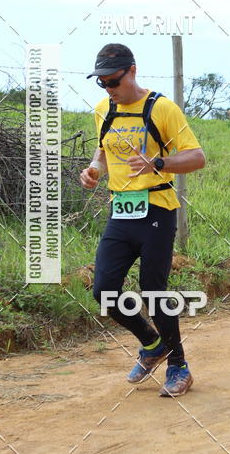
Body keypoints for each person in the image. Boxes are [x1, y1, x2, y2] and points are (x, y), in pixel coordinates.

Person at [80, 43, 206, 397]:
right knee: (104, 291)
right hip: (121, 210)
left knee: (153, 290)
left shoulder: (162, 108)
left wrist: (159, 163)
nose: (108, 89)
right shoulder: (104, 108)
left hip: (158, 209)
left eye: (113, 81)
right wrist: (94, 169)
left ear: (131, 71)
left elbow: (197, 157)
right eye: (101, 83)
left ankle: (178, 366)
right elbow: (104, 150)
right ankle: (152, 344)